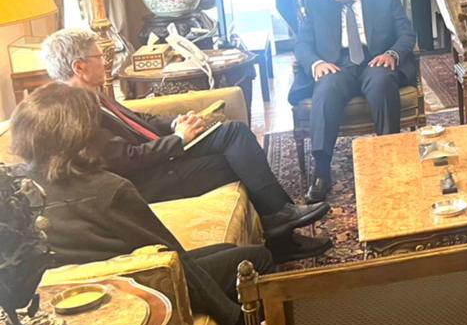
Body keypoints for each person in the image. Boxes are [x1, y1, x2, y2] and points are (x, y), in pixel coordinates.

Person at [11, 82, 272, 325]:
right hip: (140, 288)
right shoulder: (107, 188)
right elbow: (173, 259)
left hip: (80, 287)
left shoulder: (15, 191)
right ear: (80, 133)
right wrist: (235, 324)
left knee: (221, 251)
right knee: (256, 259)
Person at [42, 28, 331, 264]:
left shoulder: (93, 95)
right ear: (79, 67)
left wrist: (174, 123)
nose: (105, 62)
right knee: (235, 152)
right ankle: (280, 227)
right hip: (147, 183)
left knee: (234, 139)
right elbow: (126, 160)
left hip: (160, 161)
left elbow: (139, 119)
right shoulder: (75, 112)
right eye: (99, 56)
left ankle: (280, 224)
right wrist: (179, 139)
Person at [289, 0, 418, 201]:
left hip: (375, 59)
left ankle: (388, 157)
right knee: (325, 88)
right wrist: (316, 63)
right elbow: (302, 44)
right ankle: (321, 171)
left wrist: (392, 54)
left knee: (382, 82)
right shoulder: (316, 5)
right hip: (337, 64)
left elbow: (407, 35)